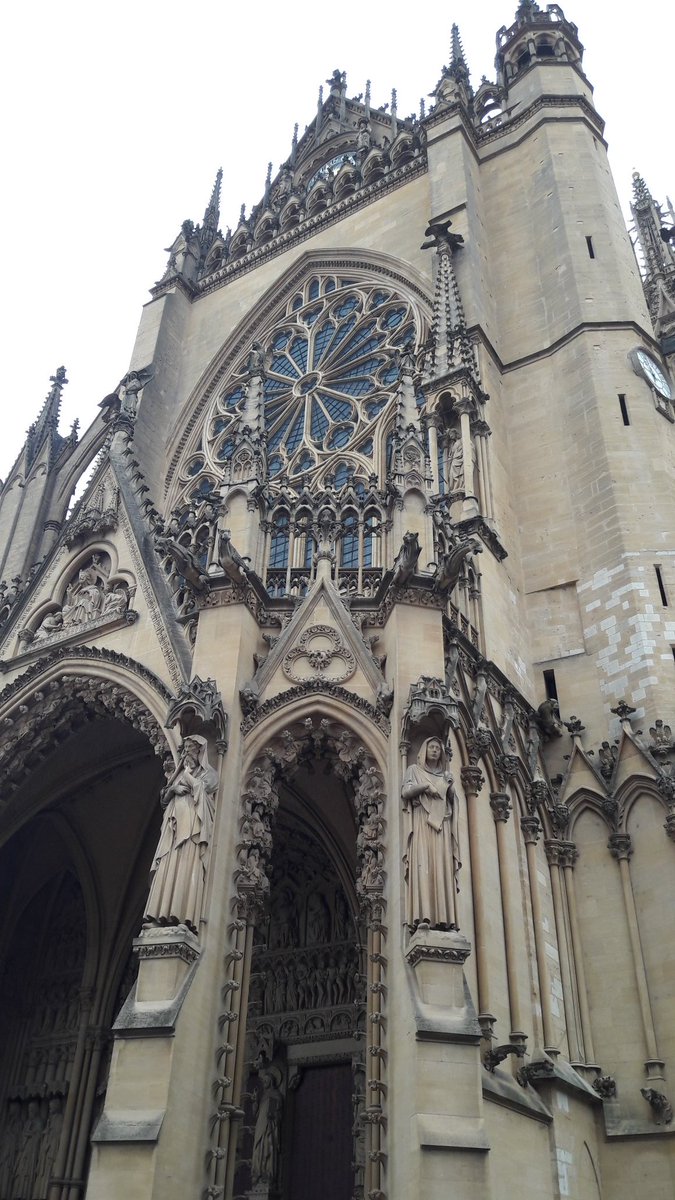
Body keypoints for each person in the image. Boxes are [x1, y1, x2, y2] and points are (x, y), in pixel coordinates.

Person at [143, 735, 218, 934]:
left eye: (191, 749)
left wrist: (187, 775)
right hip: (173, 831)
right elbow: (165, 799)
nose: (187, 753)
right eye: (185, 749)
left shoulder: (208, 774)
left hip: (192, 832)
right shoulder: (178, 775)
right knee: (167, 871)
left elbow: (203, 790)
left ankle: (185, 917)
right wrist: (174, 788)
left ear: (199, 752)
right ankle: (157, 917)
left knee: (187, 871)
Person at [401, 737, 461, 930]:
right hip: (421, 822)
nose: (435, 751)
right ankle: (422, 916)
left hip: (442, 825)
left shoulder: (445, 776)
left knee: (441, 867)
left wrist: (449, 787)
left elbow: (452, 801)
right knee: (423, 865)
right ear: (424, 750)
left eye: (438, 748)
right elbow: (406, 792)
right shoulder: (414, 770)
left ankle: (446, 919)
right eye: (431, 747)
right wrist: (426, 786)